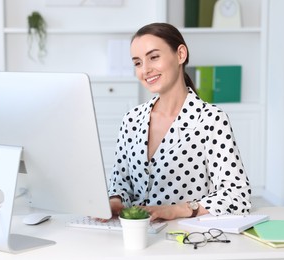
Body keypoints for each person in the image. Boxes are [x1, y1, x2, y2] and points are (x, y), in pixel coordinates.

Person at [107, 23, 251, 221]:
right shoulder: (131, 120)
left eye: (154, 57)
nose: (145, 69)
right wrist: (115, 201)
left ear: (180, 55)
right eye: (138, 63)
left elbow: (238, 196)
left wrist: (175, 210)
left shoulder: (211, 119)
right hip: (137, 236)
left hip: (187, 240)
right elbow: (120, 184)